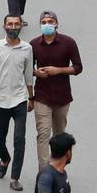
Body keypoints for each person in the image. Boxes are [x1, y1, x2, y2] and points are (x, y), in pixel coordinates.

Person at [0, 15, 35, 192]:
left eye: (16, 24)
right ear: (4, 26)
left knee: (19, 139)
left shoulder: (27, 48)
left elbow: (28, 76)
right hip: (1, 100)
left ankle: (15, 178)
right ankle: (4, 159)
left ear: (20, 27)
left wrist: (31, 98)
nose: (13, 26)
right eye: (10, 24)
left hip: (19, 100)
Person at [30, 10, 81, 164]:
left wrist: (59, 70)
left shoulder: (69, 43)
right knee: (43, 134)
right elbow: (26, 69)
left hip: (62, 96)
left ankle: (58, 167)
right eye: (44, 22)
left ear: (56, 24)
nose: (47, 25)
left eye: (50, 22)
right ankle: (45, 172)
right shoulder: (33, 45)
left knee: (59, 136)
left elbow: (78, 67)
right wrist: (36, 72)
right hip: (42, 97)